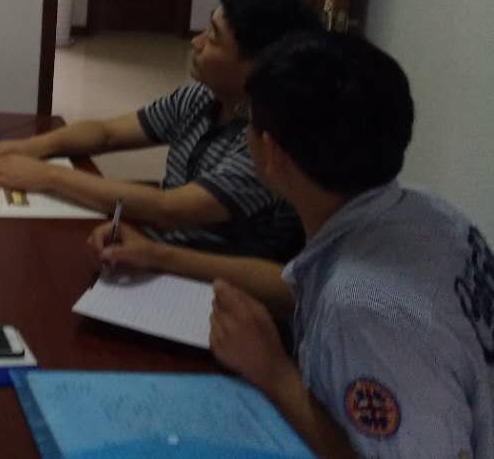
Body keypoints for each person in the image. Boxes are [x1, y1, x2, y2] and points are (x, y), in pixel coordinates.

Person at [210, 32, 493, 458]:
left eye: (247, 122)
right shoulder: (432, 212)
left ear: (272, 152)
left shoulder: (361, 309)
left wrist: (272, 371)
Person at [0, 0, 320, 261]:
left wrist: (47, 175)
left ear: (256, 65)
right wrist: (28, 148)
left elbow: (169, 209)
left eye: (213, 38)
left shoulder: (265, 141)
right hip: (154, 248)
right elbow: (107, 133)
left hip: (207, 282)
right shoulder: (203, 96)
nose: (196, 43)